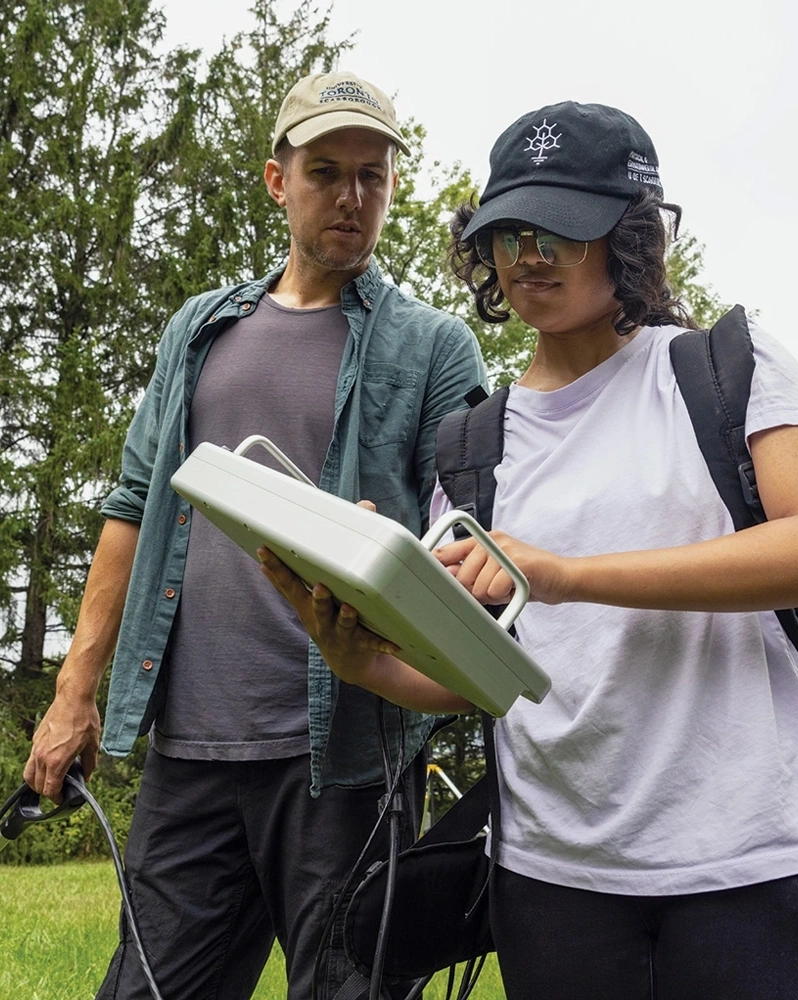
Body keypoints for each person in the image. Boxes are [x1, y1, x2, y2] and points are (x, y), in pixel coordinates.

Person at [260, 101, 798, 999]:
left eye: (561, 228)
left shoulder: (723, 369)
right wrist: (364, 661)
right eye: (508, 231)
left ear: (631, 237)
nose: (527, 255)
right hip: (555, 884)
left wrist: (563, 574)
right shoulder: (472, 444)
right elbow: (483, 674)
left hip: (761, 864)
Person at [23, 70, 485, 999]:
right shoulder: (202, 329)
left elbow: (468, 546)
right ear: (278, 180)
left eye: (373, 175)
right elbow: (129, 510)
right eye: (326, 172)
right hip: (189, 752)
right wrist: (75, 695)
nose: (353, 198)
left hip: (345, 757)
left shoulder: (435, 347)